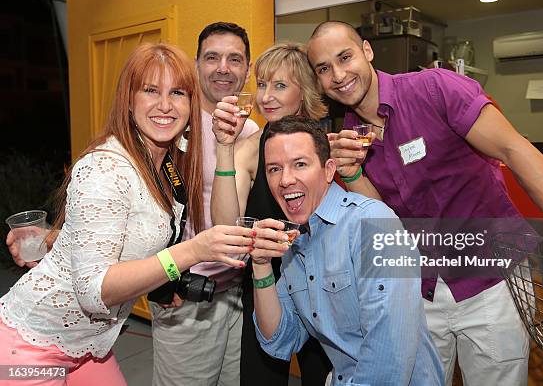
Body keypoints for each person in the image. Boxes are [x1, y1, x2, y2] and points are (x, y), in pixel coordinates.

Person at [306, 21, 543, 386]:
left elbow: (512, 149)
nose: (338, 75)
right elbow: (387, 221)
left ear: (367, 52)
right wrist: (352, 173)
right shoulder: (351, 138)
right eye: (324, 68)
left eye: (345, 57)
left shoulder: (435, 88)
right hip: (420, 290)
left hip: (492, 279)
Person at [6, 22, 260, 386]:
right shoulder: (105, 166)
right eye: (150, 91)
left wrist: (159, 283)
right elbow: (94, 292)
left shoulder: (164, 165)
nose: (164, 105)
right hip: (30, 345)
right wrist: (193, 251)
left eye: (177, 93)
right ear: (128, 99)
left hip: (91, 347)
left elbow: (125, 238)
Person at [248, 116, 444, 385]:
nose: (285, 180)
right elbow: (280, 339)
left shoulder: (374, 224)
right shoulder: (294, 242)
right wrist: (260, 265)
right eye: (273, 169)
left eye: (300, 164)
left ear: (329, 170)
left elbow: (389, 356)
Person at [211, 43, 332, 385]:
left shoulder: (326, 146)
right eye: (262, 84)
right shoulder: (249, 148)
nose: (266, 96)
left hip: (323, 287)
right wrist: (225, 148)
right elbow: (224, 226)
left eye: (280, 85)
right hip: (265, 284)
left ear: (304, 90)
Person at [148, 22, 259, 386]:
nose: (223, 68)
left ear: (248, 68)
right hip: (186, 299)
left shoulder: (252, 132)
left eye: (234, 59)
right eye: (212, 58)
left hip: (236, 296)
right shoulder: (172, 123)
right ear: (197, 64)